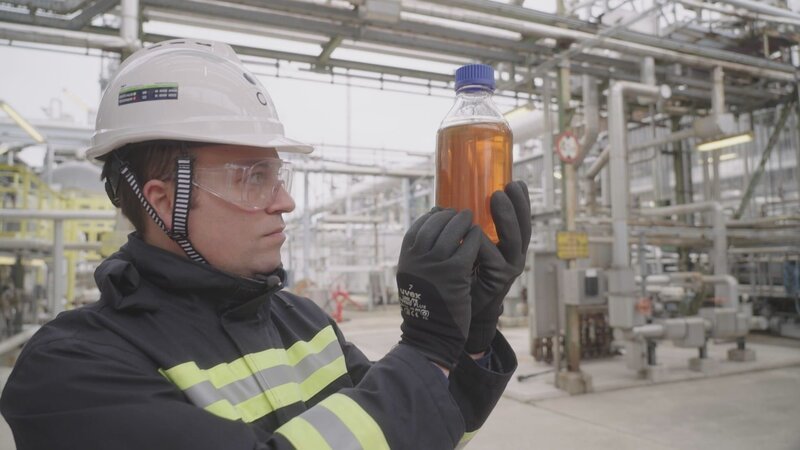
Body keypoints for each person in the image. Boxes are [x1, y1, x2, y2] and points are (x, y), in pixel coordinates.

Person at [0, 39, 531, 450]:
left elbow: (414, 433)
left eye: (279, 175)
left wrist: (470, 338)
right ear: (164, 201)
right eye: (253, 177)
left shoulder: (303, 323)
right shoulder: (69, 372)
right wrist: (425, 350)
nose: (284, 202)